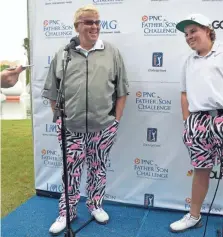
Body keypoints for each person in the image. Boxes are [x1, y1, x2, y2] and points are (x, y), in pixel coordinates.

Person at [42, 4, 129, 235]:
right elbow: (52, 92)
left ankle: (95, 204)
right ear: (77, 26)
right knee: (70, 171)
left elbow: (122, 92)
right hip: (71, 127)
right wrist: (61, 119)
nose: (94, 27)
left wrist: (115, 122)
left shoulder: (112, 53)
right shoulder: (63, 55)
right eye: (89, 22)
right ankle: (66, 212)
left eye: (97, 22)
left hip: (103, 127)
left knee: (98, 168)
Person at [169, 13, 223, 237]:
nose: (189, 37)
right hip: (198, 122)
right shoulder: (188, 61)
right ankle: (194, 216)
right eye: (186, 34)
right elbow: (185, 94)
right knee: (200, 170)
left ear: (207, 29)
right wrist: (189, 122)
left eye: (193, 31)